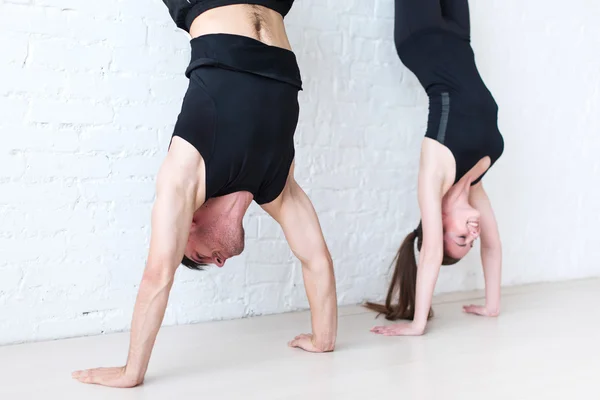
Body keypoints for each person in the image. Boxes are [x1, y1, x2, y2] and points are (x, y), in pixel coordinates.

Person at [72, 1, 337, 387]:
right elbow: (316, 259)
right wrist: (323, 339)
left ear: (189, 223)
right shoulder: (279, 187)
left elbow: (158, 275)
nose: (217, 262)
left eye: (196, 255)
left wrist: (133, 371)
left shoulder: (185, 178)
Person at [366, 0, 504, 336]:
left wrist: (417, 324)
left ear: (438, 225)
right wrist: (492, 305)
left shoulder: (435, 176)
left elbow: (429, 254)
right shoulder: (475, 182)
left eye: (461, 237)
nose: (474, 234)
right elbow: (493, 246)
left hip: (421, 37)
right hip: (459, 37)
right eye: (470, 241)